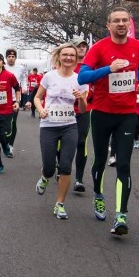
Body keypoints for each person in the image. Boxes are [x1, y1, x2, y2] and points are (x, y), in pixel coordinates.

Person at [77, 8, 139, 236]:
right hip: (102, 113)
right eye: (116, 21)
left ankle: (121, 215)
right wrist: (109, 68)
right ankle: (98, 196)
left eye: (124, 20)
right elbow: (83, 77)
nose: (120, 24)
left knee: (124, 164)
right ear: (108, 25)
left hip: (127, 114)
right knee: (100, 160)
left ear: (129, 24)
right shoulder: (99, 48)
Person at [33, 44, 88, 219]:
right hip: (49, 125)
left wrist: (80, 99)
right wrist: (40, 109)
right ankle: (45, 177)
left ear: (76, 58)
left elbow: (84, 109)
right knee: (49, 168)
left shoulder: (80, 80)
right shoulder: (49, 76)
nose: (69, 58)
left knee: (65, 166)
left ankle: (60, 204)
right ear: (59, 56)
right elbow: (37, 97)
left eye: (72, 55)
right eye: (65, 54)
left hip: (69, 125)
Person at [73, 39, 92, 192]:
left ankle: (79, 179)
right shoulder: (66, 65)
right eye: (78, 46)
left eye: (84, 46)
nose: (81, 48)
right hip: (64, 110)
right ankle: (61, 167)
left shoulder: (90, 66)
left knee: (81, 142)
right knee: (63, 142)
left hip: (84, 110)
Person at [4, 48, 27, 154]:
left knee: (12, 122)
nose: (11, 59)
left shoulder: (20, 68)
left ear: (15, 58)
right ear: (6, 57)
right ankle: (4, 141)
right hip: (3, 99)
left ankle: (10, 145)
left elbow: (23, 79)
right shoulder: (2, 67)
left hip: (15, 99)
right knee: (4, 123)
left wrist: (25, 87)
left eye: (13, 57)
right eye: (9, 57)